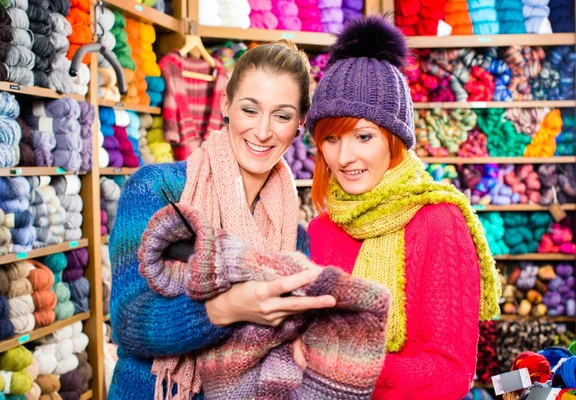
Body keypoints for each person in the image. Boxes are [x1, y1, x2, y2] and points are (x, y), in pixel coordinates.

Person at [107, 40, 337, 400]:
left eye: (282, 115)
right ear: (226, 105)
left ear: (299, 124)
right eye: (250, 109)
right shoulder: (157, 190)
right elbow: (128, 323)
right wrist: (226, 308)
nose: (263, 131)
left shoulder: (295, 237)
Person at [305, 16, 502, 399]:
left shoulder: (438, 222)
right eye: (331, 138)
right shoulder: (320, 230)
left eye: (363, 136)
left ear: (395, 139)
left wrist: (334, 367)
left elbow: (451, 374)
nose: (345, 157)